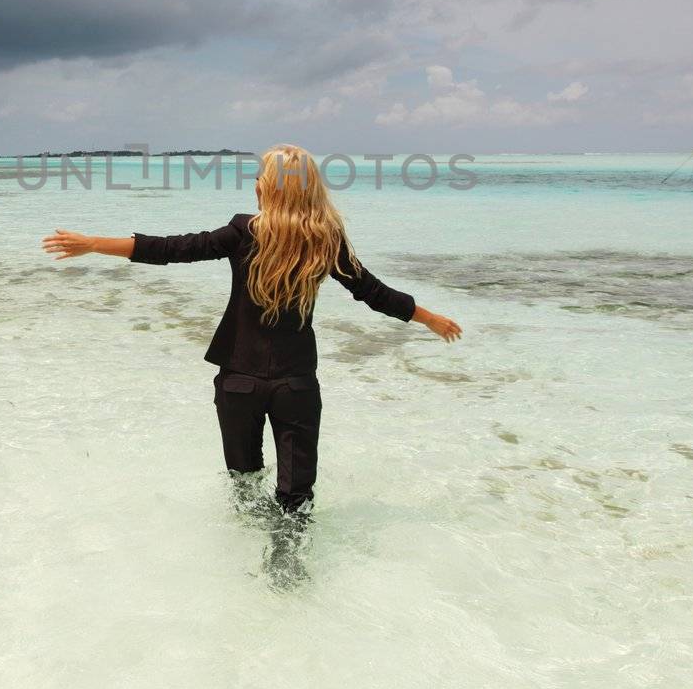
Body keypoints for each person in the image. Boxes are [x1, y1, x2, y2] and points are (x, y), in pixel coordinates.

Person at [41, 144, 462, 582]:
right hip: (296, 385)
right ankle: (288, 569)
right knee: (296, 493)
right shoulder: (325, 239)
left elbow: (173, 249)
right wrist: (428, 318)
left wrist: (94, 244)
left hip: (238, 382)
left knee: (244, 481)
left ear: (272, 189)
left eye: (261, 175)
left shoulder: (243, 231)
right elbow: (373, 293)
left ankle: (240, 566)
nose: (255, 182)